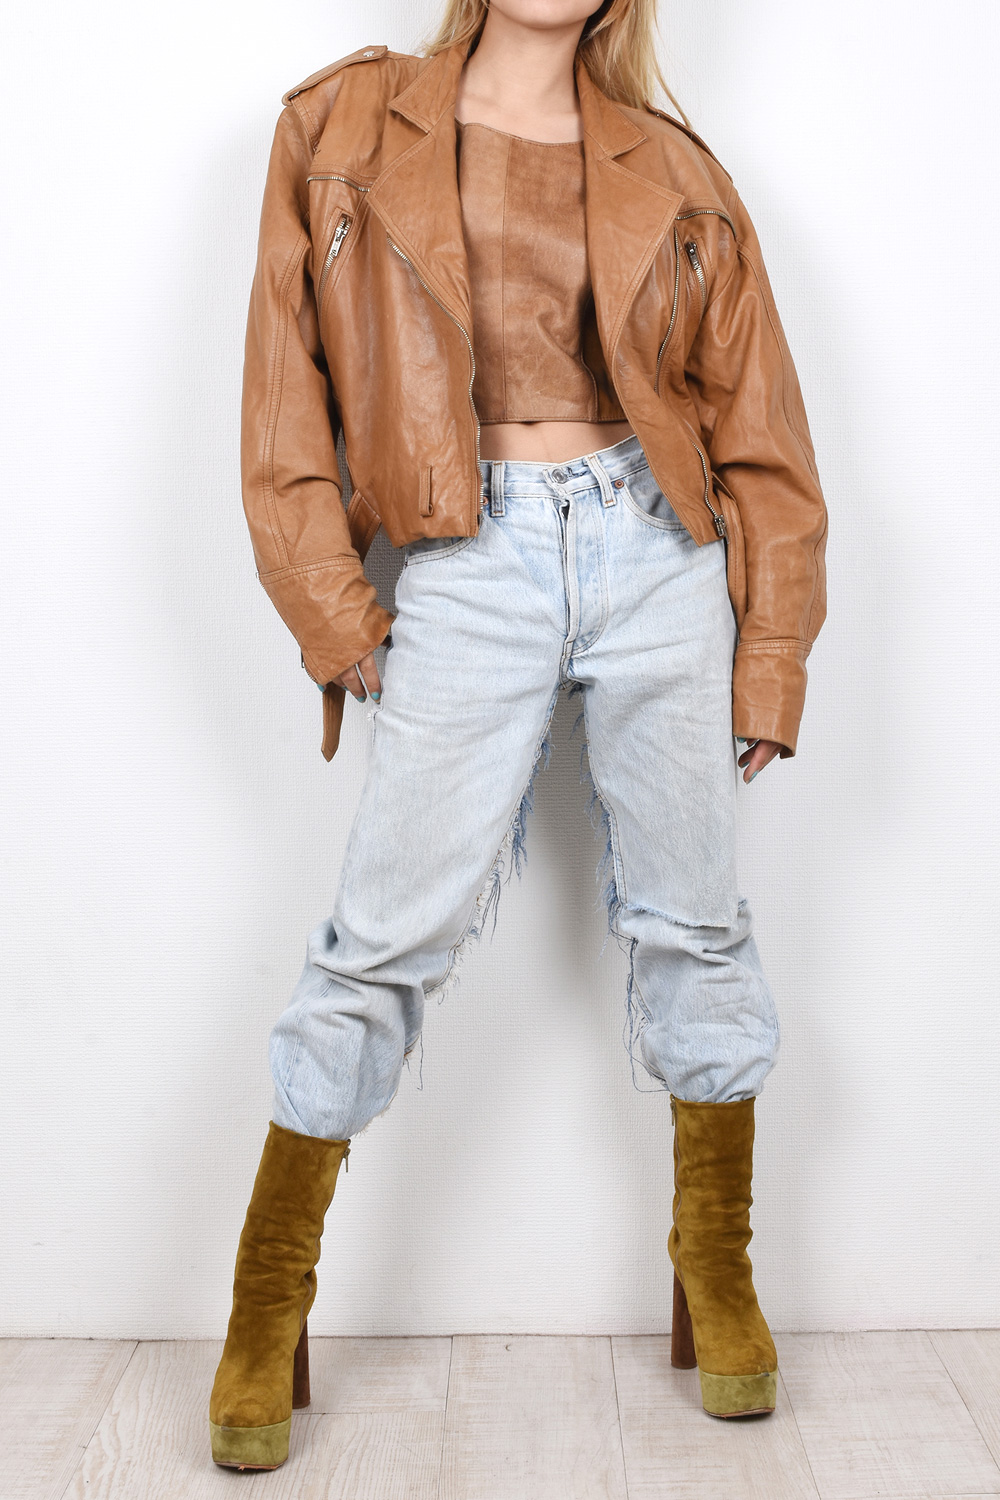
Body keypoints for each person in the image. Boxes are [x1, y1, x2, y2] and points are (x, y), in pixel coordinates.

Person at [209, 0, 828, 1470]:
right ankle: (264, 1301)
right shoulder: (343, 126)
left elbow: (761, 434)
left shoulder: (675, 166)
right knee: (379, 939)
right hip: (465, 555)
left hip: (656, 552)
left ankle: (718, 1266)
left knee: (697, 924)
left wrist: (771, 656)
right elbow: (284, 397)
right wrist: (335, 609)